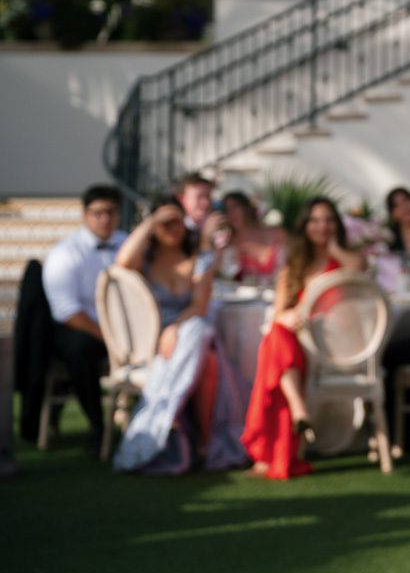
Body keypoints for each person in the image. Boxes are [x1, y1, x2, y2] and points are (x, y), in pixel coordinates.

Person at [112, 200, 247, 474]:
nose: (173, 228)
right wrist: (152, 221)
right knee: (204, 354)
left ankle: (200, 440)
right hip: (152, 344)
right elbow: (122, 261)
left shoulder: (200, 259)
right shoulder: (145, 262)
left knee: (198, 336)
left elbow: (199, 305)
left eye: (178, 221)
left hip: (186, 335)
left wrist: (174, 328)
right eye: (166, 222)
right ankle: (190, 438)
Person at [241, 197, 368, 479]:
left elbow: (359, 271)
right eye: (315, 220)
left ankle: (269, 451)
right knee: (276, 336)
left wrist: (334, 247)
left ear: (337, 224)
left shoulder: (349, 259)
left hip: (339, 345)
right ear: (305, 226)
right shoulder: (294, 266)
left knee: (274, 348)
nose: (322, 226)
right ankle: (298, 410)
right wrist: (286, 316)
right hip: (301, 346)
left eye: (328, 220)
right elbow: (277, 313)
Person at [41, 184, 126, 449]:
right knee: (81, 351)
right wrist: (108, 338)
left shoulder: (127, 244)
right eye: (97, 212)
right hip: (81, 328)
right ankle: (97, 427)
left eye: (110, 212)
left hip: (123, 329)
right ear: (85, 215)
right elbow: (66, 311)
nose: (104, 219)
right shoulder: (64, 253)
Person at [216, 190, 286, 285]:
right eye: (226, 209)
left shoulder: (275, 233)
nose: (231, 213)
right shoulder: (226, 242)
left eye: (235, 206)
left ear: (247, 208)